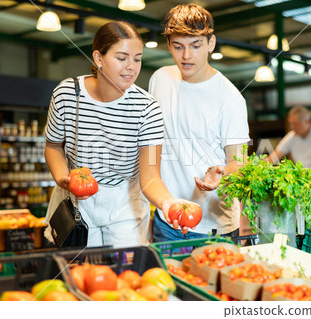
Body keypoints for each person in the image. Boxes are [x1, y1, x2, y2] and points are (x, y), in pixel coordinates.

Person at [44, 21, 189, 248]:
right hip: (76, 205)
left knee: (125, 274)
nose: (131, 66)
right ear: (99, 58)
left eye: (137, 58)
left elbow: (150, 175)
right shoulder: (67, 94)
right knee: (80, 276)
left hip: (125, 205)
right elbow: (53, 147)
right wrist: (64, 179)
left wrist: (167, 203)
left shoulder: (147, 108)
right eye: (122, 58)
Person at [149, 4, 250, 242]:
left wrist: (223, 173)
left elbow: (240, 163)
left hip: (215, 226)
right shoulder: (160, 79)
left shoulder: (231, 98)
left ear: (210, 44)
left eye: (196, 46)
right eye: (178, 46)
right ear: (169, 45)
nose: (186, 56)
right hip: (168, 219)